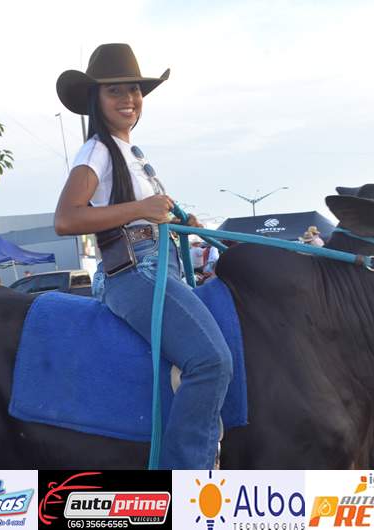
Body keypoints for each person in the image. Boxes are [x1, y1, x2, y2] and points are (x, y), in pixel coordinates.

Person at [53, 43, 232, 469]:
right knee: (211, 361)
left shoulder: (130, 152)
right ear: (95, 99)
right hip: (136, 271)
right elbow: (66, 218)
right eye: (114, 90)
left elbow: (146, 214)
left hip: (160, 264)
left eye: (133, 89)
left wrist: (185, 224)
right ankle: (186, 480)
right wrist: (142, 209)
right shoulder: (97, 150)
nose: (128, 98)